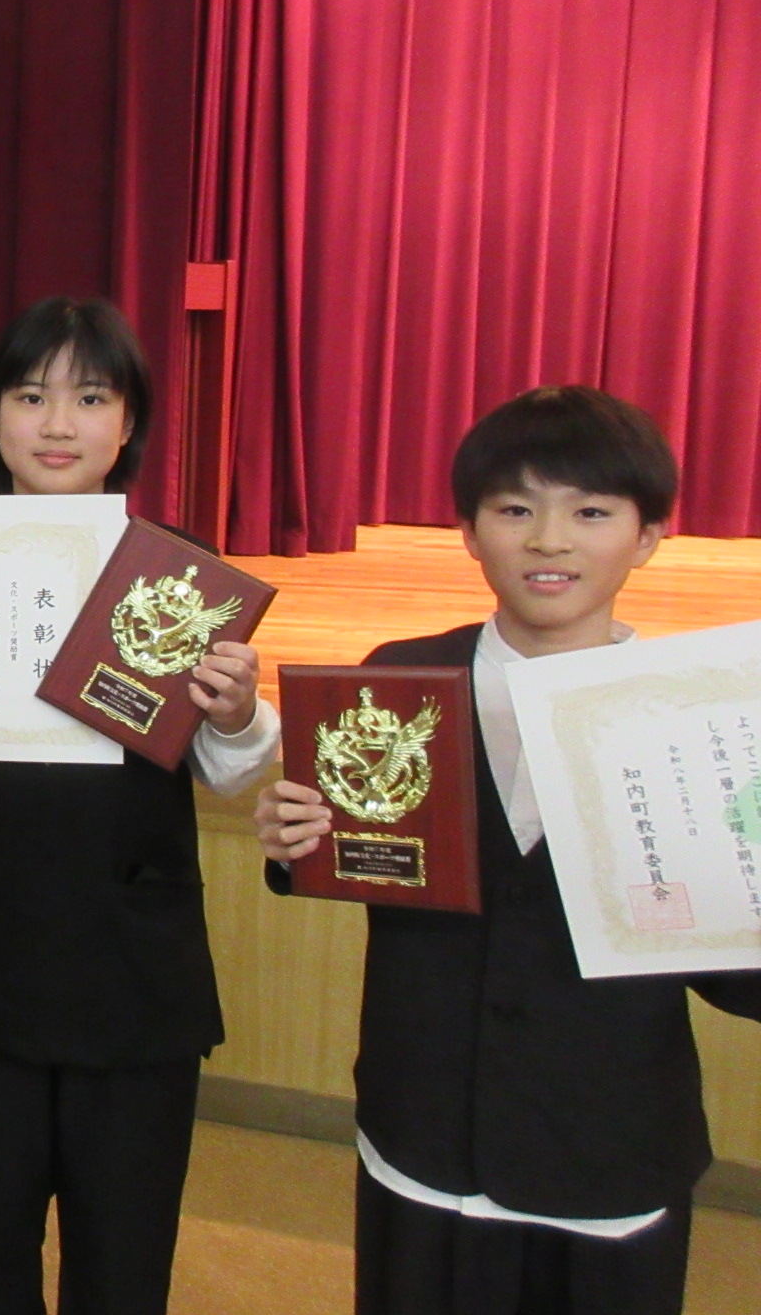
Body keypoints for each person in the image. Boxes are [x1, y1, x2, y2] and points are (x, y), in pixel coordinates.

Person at [255, 385, 761, 1315]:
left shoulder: (695, 720)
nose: (550, 541)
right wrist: (295, 842)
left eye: (591, 512)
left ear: (649, 536)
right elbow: (363, 860)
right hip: (423, 1134)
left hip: (607, 1152)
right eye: (516, 510)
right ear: (469, 531)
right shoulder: (398, 679)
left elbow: (737, 978)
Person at [0, 297, 279, 1315]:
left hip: (132, 974)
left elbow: (230, 774)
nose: (58, 424)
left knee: (123, 1267)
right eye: (30, 397)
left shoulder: (174, 571)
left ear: (128, 422)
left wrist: (237, 713)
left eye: (91, 397)